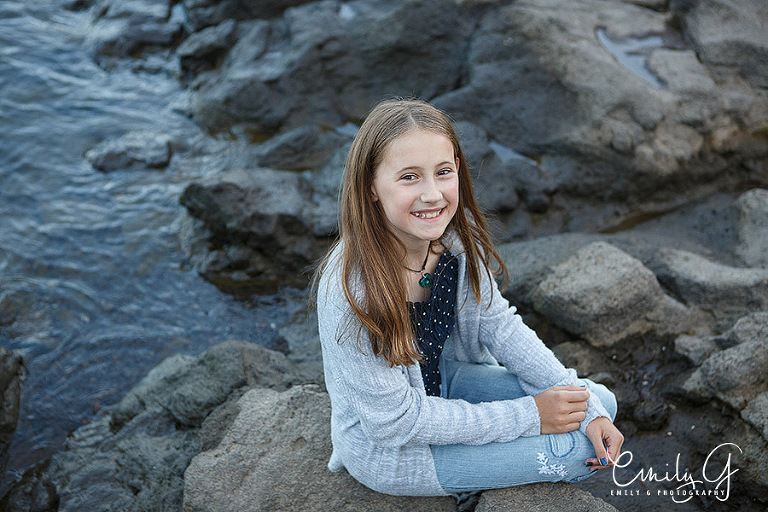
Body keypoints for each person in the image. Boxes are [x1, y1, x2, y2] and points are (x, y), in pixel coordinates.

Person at [314, 98, 624, 497]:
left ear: (458, 168)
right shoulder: (352, 289)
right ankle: (468, 481)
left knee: (598, 402)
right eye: (409, 177)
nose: (432, 195)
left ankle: (491, 461)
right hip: (395, 449)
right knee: (578, 451)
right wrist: (530, 416)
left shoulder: (455, 239)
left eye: (443, 172)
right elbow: (394, 423)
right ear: (371, 186)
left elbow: (502, 327)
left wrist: (588, 411)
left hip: (444, 381)